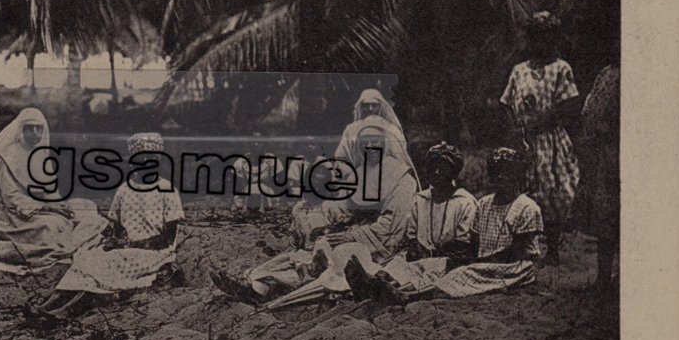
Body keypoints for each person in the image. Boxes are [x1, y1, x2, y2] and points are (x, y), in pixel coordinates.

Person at [210, 91, 418, 306]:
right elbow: (343, 206)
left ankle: (268, 288)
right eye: (365, 141)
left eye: (376, 141)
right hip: (353, 232)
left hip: (379, 242)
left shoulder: (400, 177)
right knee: (301, 251)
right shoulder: (361, 171)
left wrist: (353, 236)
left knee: (326, 255)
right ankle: (256, 281)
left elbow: (394, 226)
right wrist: (319, 216)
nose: (370, 146)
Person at [348, 148, 545, 302]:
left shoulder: (526, 207)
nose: (501, 178)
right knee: (431, 265)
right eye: (496, 172)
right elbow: (473, 244)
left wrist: (470, 262)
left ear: (517, 175)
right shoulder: (484, 204)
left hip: (512, 268)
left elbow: (515, 254)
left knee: (457, 276)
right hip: (483, 261)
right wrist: (455, 259)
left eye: (507, 173)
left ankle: (409, 295)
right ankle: (377, 283)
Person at [38, 133, 186, 317]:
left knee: (106, 265)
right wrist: (111, 242)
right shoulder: (124, 190)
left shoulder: (167, 190)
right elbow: (116, 228)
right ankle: (47, 306)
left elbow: (167, 240)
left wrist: (126, 245)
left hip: (154, 253)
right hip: (127, 248)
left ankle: (65, 311)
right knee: (88, 257)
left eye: (153, 159)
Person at [0, 107, 106, 274]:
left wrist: (59, 205)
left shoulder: (39, 153)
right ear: (20, 130)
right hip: (10, 214)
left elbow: (49, 187)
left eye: (38, 128)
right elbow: (12, 199)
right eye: (29, 128)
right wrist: (48, 208)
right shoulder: (5, 157)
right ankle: (61, 244)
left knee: (85, 206)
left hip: (38, 205)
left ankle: (67, 236)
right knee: (51, 226)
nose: (34, 133)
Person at [341, 142, 478, 296]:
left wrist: (432, 253)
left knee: (430, 272)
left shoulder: (465, 202)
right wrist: (416, 250)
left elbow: (463, 245)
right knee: (398, 265)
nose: (437, 172)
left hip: (448, 260)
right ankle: (376, 284)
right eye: (432, 167)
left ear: (454, 172)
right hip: (421, 256)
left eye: (443, 168)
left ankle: (397, 292)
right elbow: (412, 236)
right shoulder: (420, 200)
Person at [500, 11, 580, 265]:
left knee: (551, 192)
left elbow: (567, 106)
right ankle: (523, 247)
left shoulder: (560, 68)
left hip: (549, 141)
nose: (540, 42)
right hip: (523, 141)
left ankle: (553, 249)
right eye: (536, 36)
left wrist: (538, 123)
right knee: (523, 190)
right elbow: (506, 102)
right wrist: (514, 130)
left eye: (546, 36)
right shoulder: (519, 70)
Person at [579, 59, 620, 294]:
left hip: (622, 149)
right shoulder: (606, 73)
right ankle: (604, 278)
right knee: (606, 215)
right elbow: (590, 112)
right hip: (605, 155)